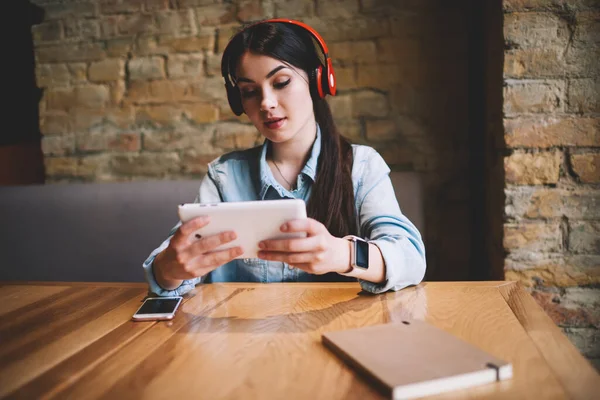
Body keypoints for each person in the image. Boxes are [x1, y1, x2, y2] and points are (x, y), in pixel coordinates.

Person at [143, 19, 426, 296]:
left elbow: (410, 258)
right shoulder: (224, 177)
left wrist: (343, 254)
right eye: (250, 92)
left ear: (318, 80)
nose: (266, 103)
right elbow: (168, 270)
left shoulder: (362, 166)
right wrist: (170, 269)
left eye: (281, 82)